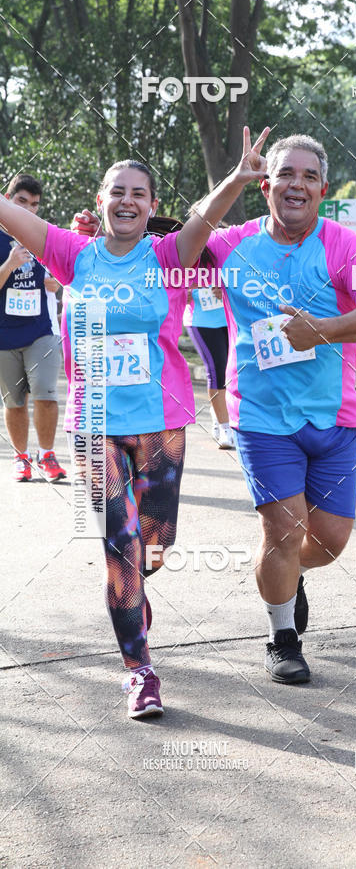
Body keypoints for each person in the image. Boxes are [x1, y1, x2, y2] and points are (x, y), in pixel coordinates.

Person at [0, 126, 270, 718]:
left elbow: (204, 216)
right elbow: (8, 214)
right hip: (95, 426)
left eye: (138, 194)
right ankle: (140, 670)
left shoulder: (168, 257)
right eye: (116, 192)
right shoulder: (71, 254)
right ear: (100, 203)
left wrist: (238, 176)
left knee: (152, 548)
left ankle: (137, 592)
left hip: (162, 424)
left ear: (151, 207)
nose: (127, 201)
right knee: (118, 552)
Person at [198, 134, 356, 684]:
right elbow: (187, 235)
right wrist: (232, 179)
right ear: (266, 186)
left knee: (328, 543)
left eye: (310, 177)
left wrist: (324, 331)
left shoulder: (347, 248)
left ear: (322, 190)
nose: (298, 185)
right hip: (262, 419)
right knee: (283, 534)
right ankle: (281, 635)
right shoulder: (235, 243)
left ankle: (285, 575)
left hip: (334, 418)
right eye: (286, 174)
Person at [0, 174, 67, 482]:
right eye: (21, 201)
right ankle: (21, 457)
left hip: (42, 331)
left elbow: (63, 274)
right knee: (15, 401)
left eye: (35, 204)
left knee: (46, 393)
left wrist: (54, 282)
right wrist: (9, 265)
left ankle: (48, 455)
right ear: (7, 198)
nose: (28, 209)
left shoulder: (43, 235)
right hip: (4, 336)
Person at [184, 275, 235, 450]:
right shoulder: (189, 251)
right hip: (201, 320)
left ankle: (219, 413)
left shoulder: (226, 252)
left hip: (230, 319)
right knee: (217, 371)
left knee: (232, 373)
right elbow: (170, 279)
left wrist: (226, 289)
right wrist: (183, 291)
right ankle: (225, 429)